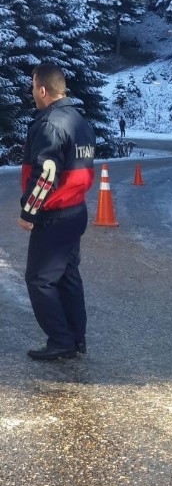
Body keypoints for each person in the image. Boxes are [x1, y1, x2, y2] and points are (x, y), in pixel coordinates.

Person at [18, 63, 96, 360]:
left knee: (39, 279)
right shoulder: (79, 120)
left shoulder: (50, 124)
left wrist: (28, 213)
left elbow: (46, 174)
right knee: (66, 276)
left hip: (56, 214)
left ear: (42, 90)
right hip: (75, 211)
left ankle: (61, 340)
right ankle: (76, 338)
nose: (32, 94)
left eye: (33, 88)